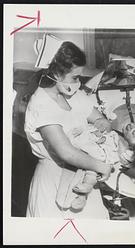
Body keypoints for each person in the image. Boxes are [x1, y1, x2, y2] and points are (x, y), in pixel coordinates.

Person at [24, 41, 112, 218]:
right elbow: (66, 153)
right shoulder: (41, 104)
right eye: (74, 77)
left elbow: (100, 119)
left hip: (84, 177)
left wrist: (102, 126)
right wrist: (102, 166)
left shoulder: (73, 95)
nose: (78, 83)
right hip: (54, 180)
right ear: (56, 73)